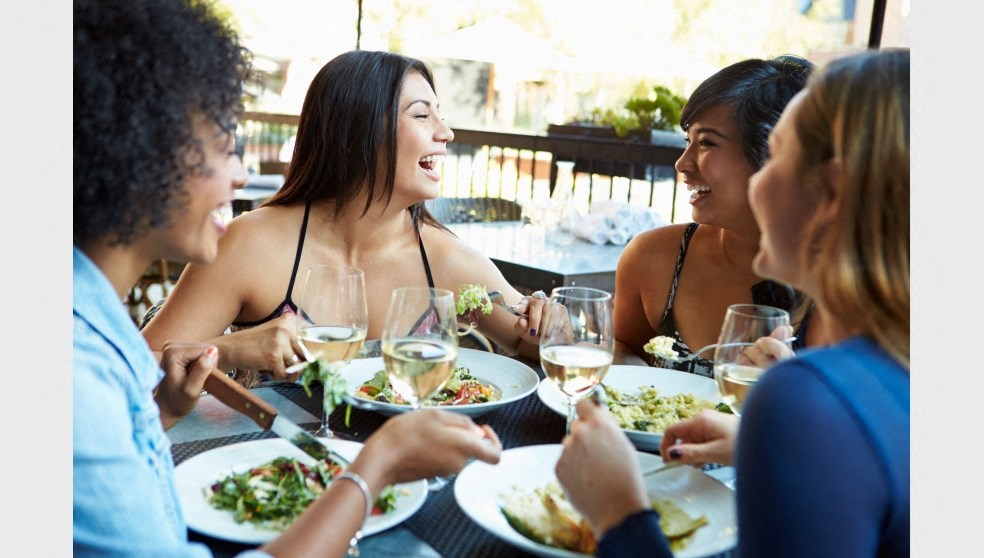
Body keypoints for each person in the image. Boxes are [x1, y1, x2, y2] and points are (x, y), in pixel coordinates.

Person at [73, 1, 502, 556]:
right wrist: (375, 467)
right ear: (142, 155)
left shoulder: (87, 336)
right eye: (225, 145)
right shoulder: (78, 376)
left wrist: (164, 411)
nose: (241, 174)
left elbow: (535, 332)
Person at [556, 48, 909, 557]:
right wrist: (763, 445)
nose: (761, 184)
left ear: (831, 191)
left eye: (777, 157)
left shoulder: (808, 398)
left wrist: (618, 512)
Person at [142, 49, 545, 387]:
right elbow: (133, 369)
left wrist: (548, 322)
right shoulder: (250, 244)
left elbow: (533, 343)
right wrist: (226, 350)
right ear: (359, 130)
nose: (446, 133)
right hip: (275, 455)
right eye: (422, 116)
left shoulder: (447, 261)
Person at [613, 55, 819, 376]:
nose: (682, 164)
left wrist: (791, 390)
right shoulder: (653, 257)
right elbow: (624, 347)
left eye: (706, 143)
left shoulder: (838, 289)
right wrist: (634, 384)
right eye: (688, 141)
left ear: (776, 157)